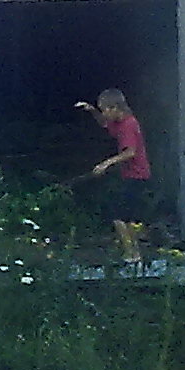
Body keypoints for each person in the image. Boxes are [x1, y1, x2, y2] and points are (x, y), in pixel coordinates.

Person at [75, 88, 151, 262]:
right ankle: (134, 252)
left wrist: (106, 163)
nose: (104, 114)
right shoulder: (118, 122)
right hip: (131, 174)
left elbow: (130, 152)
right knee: (128, 216)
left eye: (105, 110)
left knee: (118, 214)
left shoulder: (128, 125)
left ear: (115, 108)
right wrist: (92, 110)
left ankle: (131, 254)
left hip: (137, 175)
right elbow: (103, 123)